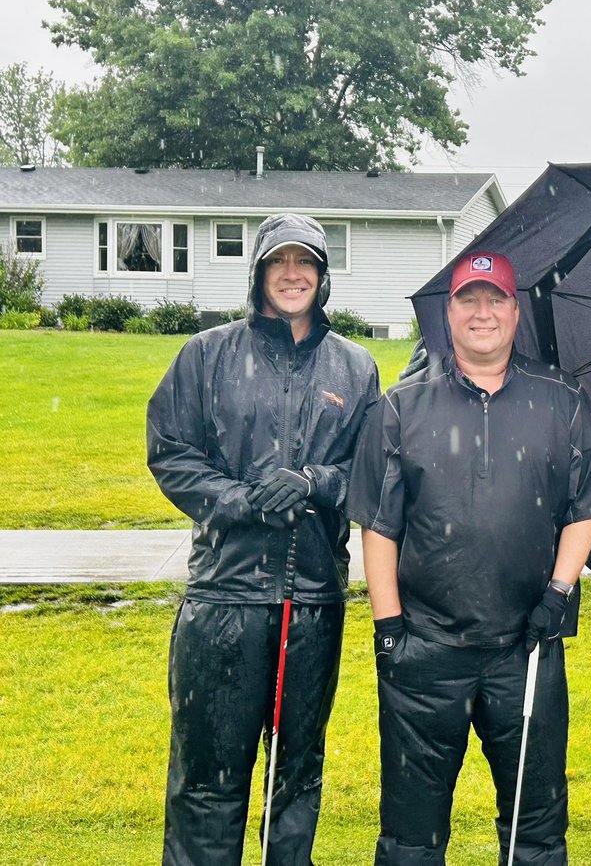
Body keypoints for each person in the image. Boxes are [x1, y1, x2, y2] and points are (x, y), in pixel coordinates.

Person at [345, 251, 591, 865]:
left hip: (526, 650)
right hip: (424, 652)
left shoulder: (562, 400)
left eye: (494, 298)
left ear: (514, 310)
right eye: (468, 299)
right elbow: (378, 524)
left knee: (535, 828)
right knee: (410, 836)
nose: (482, 312)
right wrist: (389, 630)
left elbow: (587, 504)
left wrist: (559, 592)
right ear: (447, 314)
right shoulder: (401, 406)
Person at [147, 213, 380, 865]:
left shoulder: (355, 368)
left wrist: (315, 482)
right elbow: (171, 451)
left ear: (323, 276)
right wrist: (242, 501)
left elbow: (373, 469)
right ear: (258, 272)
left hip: (311, 603)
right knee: (208, 777)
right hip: (225, 599)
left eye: (304, 262)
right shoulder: (207, 355)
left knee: (297, 776)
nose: (292, 274)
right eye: (279, 261)